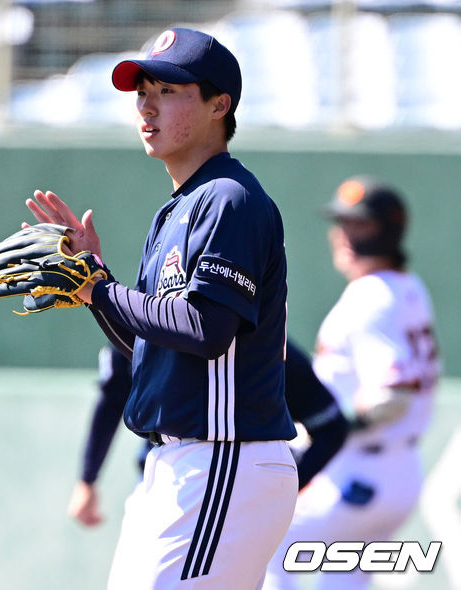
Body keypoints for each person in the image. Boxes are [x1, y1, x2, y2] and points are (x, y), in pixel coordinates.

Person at [25, 27, 299, 590]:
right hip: (179, 464)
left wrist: (97, 289)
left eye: (168, 91)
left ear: (219, 105)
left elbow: (206, 329)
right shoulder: (176, 210)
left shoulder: (229, 198)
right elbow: (149, 348)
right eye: (142, 92)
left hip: (224, 456)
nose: (146, 107)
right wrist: (94, 280)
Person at [262, 176, 441, 590]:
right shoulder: (408, 286)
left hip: (356, 469)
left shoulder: (371, 296)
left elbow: (391, 396)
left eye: (359, 224)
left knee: (265, 542)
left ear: (387, 231)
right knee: (346, 575)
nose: (344, 235)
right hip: (397, 472)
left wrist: (327, 426)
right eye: (341, 223)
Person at [67, 340, 349, 527]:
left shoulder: (269, 350)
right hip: (161, 485)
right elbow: (112, 400)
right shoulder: (145, 323)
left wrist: (285, 490)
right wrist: (87, 479)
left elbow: (332, 427)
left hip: (238, 496)